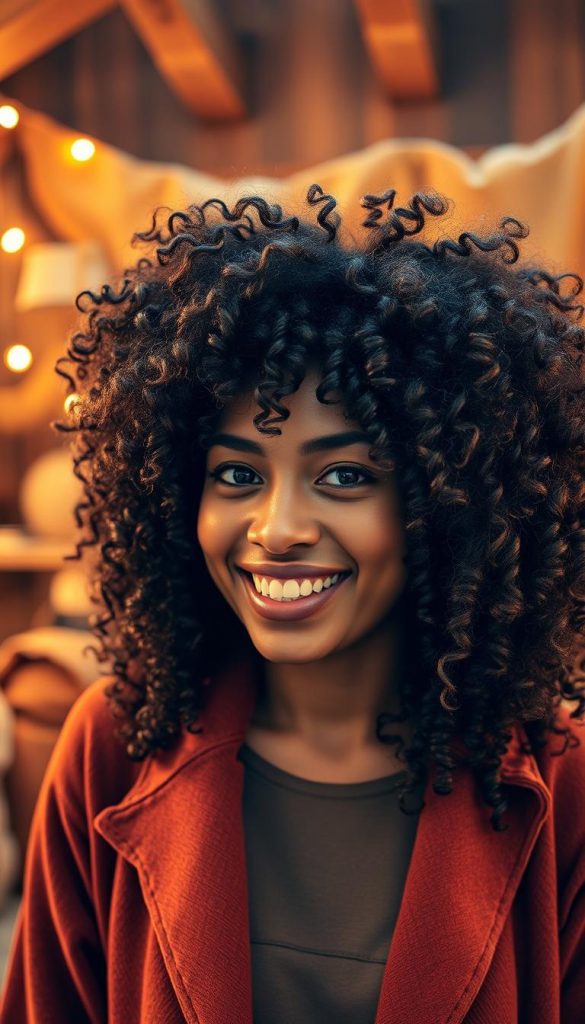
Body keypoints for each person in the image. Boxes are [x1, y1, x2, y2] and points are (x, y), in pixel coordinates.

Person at [1, 185, 584, 1024]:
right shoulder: (110, 748)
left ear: (447, 504)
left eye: (343, 475)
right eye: (237, 474)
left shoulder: (560, 783)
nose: (275, 530)